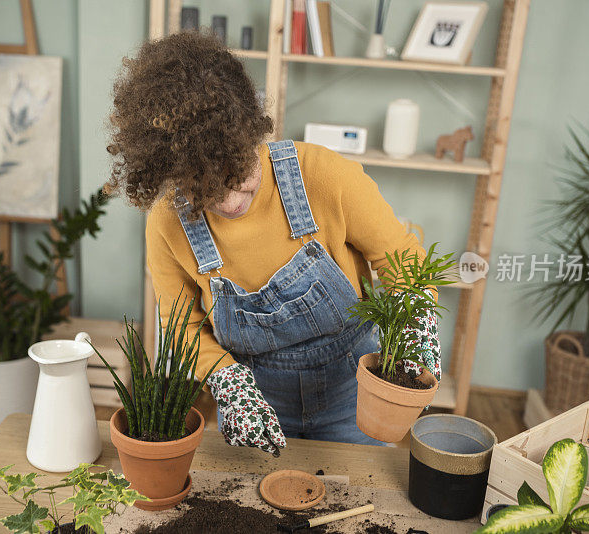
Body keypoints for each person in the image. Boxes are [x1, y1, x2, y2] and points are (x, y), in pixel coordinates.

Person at [106, 31, 440, 455]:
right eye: (204, 192)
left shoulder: (324, 177)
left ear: (250, 133)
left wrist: (416, 323)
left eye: (238, 177)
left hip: (355, 395)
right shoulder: (167, 223)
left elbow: (402, 259)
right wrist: (227, 382)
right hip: (257, 404)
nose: (229, 202)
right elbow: (183, 326)